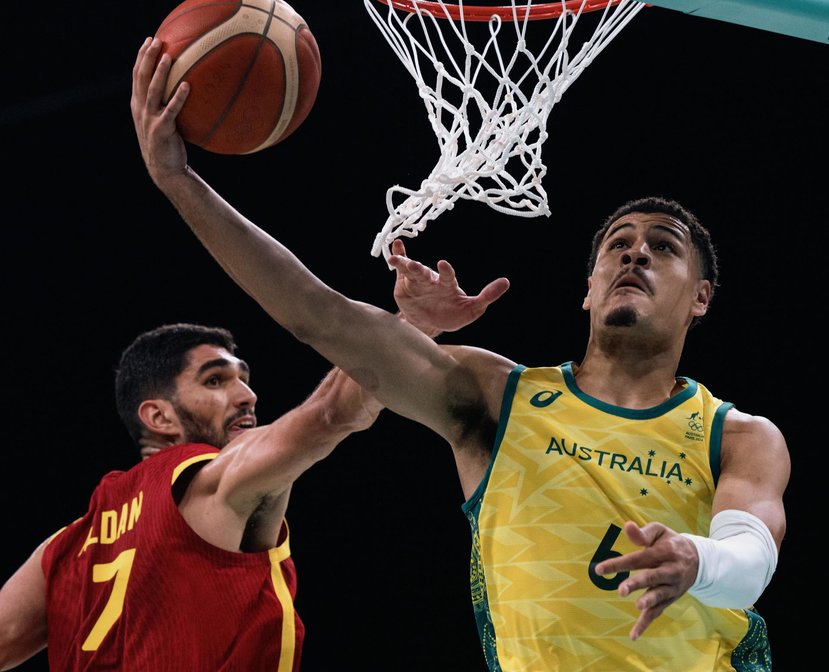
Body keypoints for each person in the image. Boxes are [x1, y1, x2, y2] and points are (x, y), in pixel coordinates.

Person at [129, 36, 790, 671]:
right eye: (617, 244)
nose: (635, 252)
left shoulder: (736, 436)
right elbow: (319, 315)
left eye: (663, 247)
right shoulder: (496, 396)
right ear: (586, 290)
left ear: (700, 297)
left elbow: (750, 560)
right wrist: (177, 181)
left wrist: (695, 562)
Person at [0, 266, 505, 665]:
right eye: (216, 381)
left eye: (243, 377)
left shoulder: (66, 546)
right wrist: (415, 327)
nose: (247, 395)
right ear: (158, 416)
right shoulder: (215, 479)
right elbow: (329, 414)